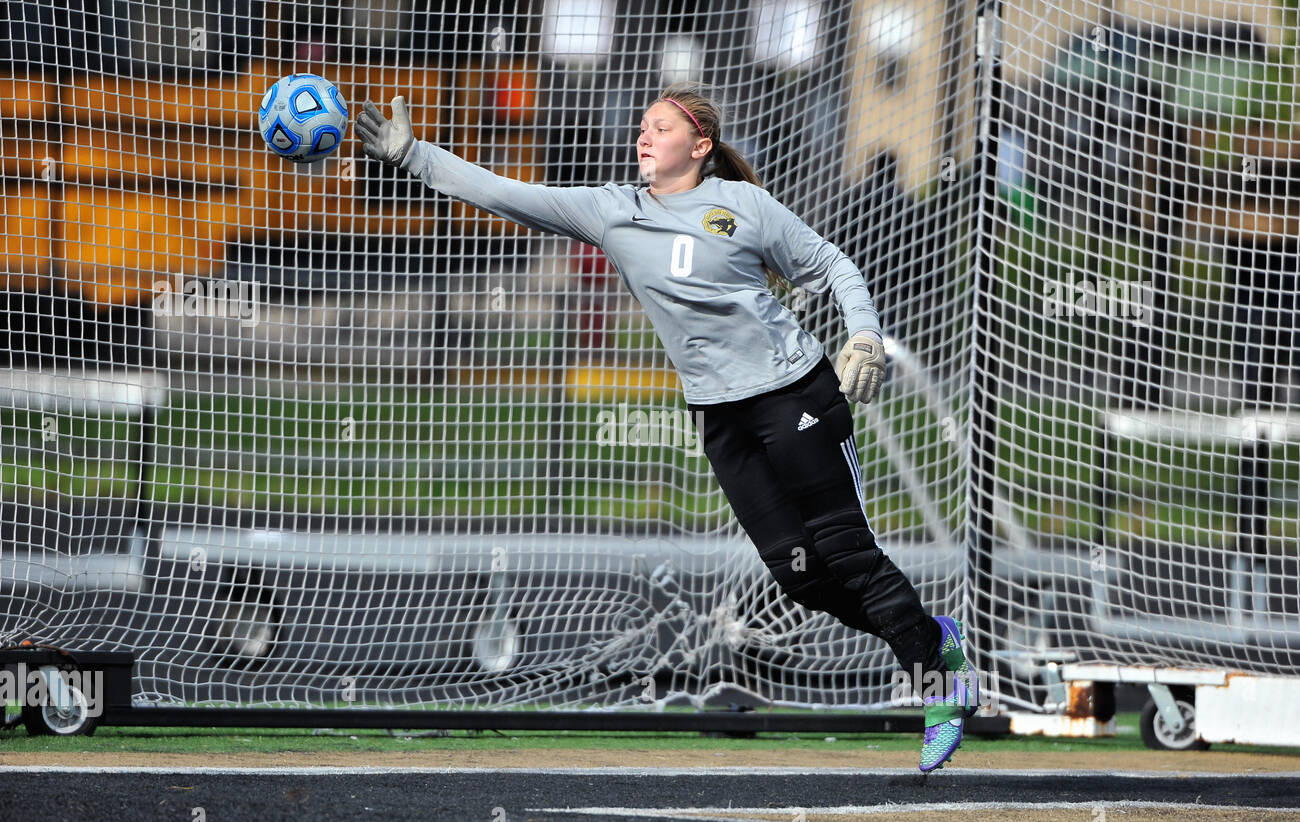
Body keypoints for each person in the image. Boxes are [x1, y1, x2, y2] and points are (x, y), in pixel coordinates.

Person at [356, 83, 978, 771]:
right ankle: (930, 636)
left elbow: (832, 264)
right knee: (799, 577)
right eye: (641, 127)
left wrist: (862, 332)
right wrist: (412, 156)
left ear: (700, 146)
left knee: (846, 552)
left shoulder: (742, 206)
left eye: (660, 127)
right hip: (720, 417)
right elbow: (507, 192)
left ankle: (939, 683)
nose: (644, 136)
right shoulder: (613, 211)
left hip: (796, 394)